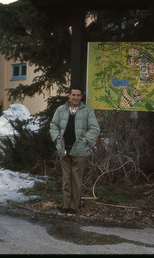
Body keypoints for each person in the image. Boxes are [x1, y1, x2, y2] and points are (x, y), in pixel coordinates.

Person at [49, 86, 100, 216]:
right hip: (64, 149)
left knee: (76, 179)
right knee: (66, 179)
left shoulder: (88, 111)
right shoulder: (61, 110)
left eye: (78, 95)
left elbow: (94, 128)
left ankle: (74, 207)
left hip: (79, 150)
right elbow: (53, 125)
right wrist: (57, 139)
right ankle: (65, 205)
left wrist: (84, 142)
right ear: (69, 95)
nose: (75, 97)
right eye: (73, 95)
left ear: (81, 97)